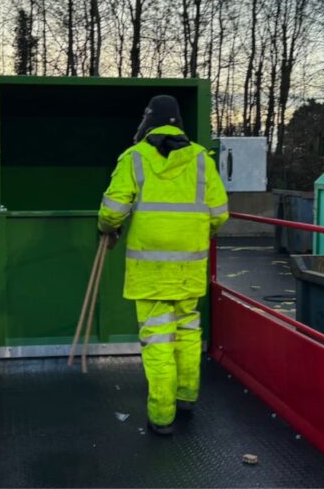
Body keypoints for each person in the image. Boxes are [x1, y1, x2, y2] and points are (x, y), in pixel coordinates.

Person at [97, 94, 229, 436]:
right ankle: (187, 398)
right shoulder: (202, 159)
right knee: (187, 332)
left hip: (150, 272)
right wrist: (198, 234)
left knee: (157, 341)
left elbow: (113, 210)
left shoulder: (135, 157)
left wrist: (108, 229)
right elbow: (219, 214)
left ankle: (161, 416)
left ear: (147, 121)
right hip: (190, 268)